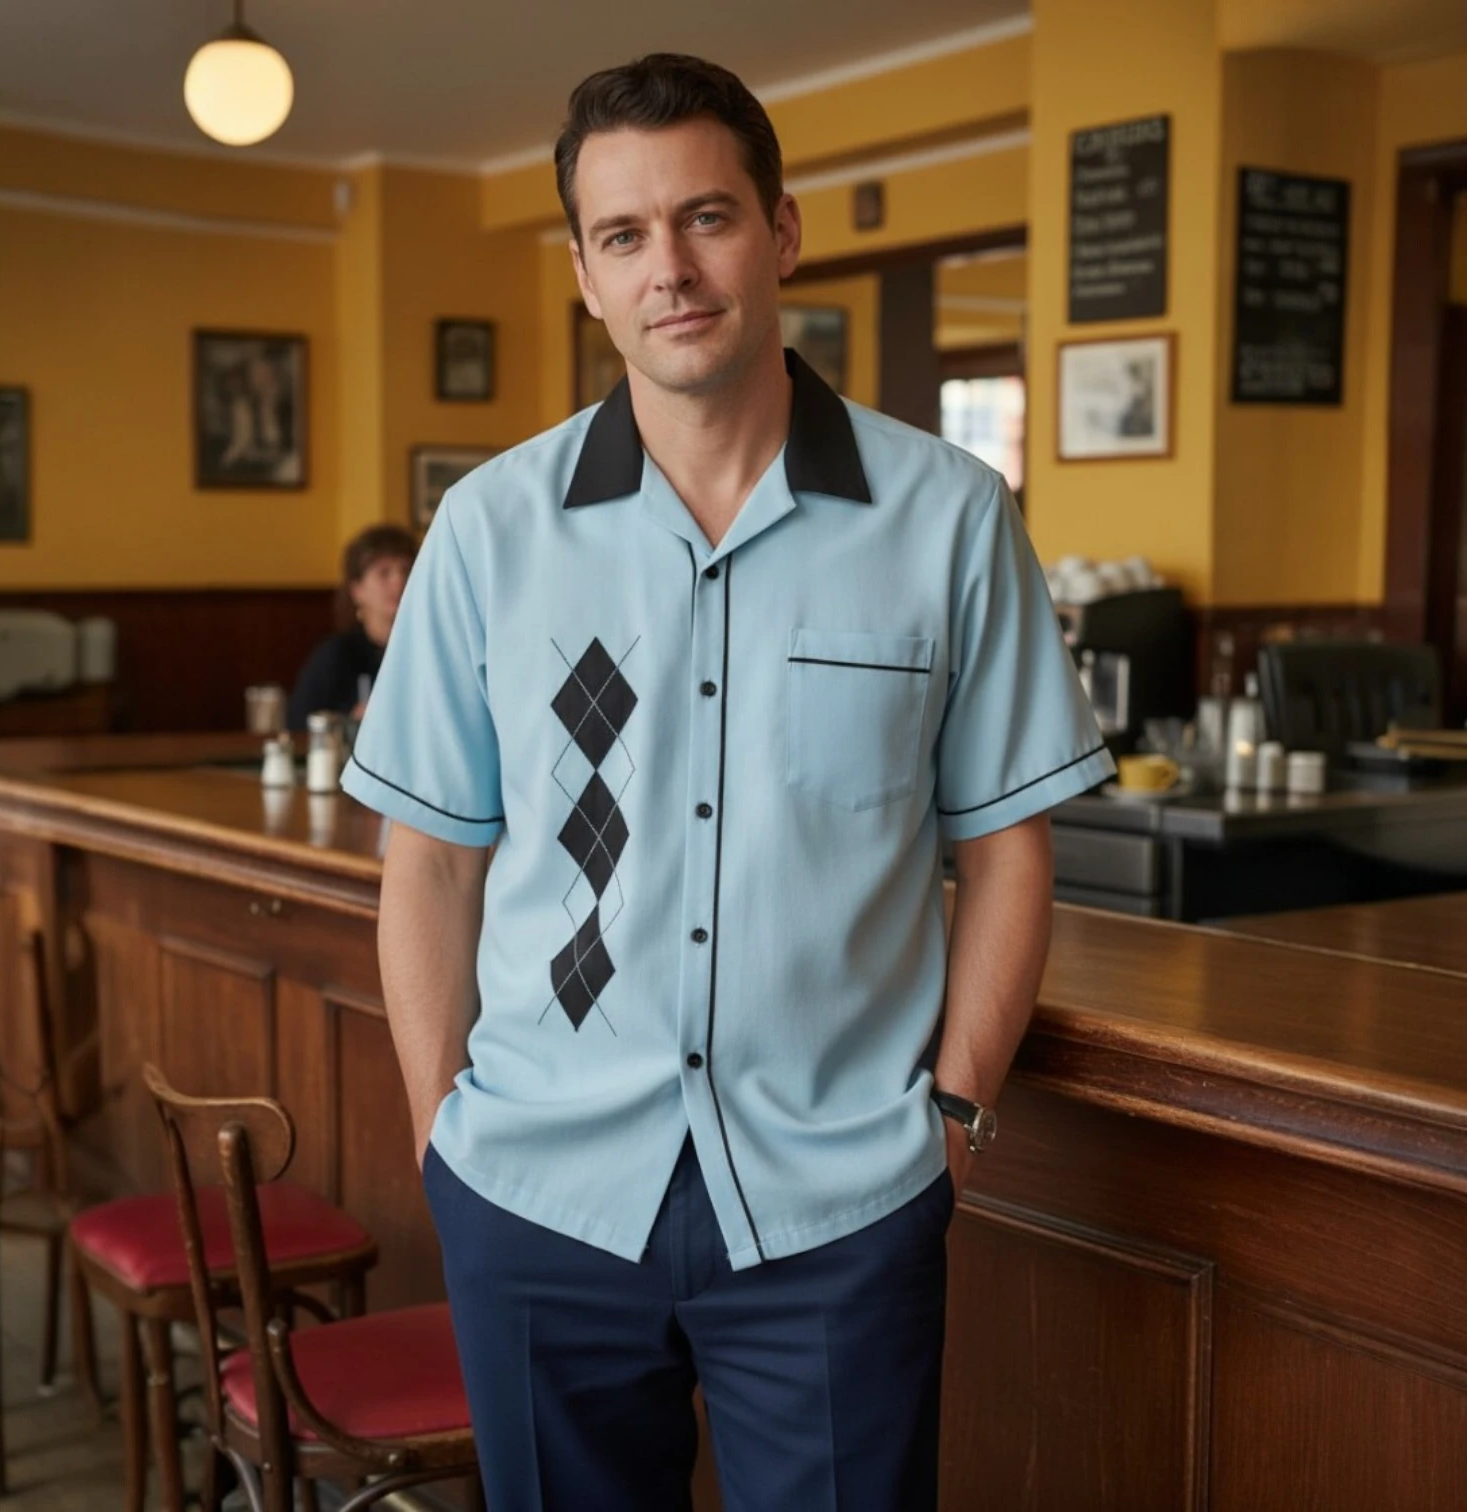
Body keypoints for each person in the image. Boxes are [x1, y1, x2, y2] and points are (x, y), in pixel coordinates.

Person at [342, 53, 1113, 1511]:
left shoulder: (947, 516)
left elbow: (1009, 849)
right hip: (538, 1197)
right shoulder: (490, 530)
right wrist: (446, 1138)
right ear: (582, 271)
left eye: (706, 217)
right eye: (625, 235)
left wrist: (951, 1122)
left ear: (782, 231)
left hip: (839, 1209)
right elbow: (430, 862)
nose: (671, 268)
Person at [287, 524, 415, 732]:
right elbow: (297, 725)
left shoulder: (427, 649)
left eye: (406, 570)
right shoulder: (336, 654)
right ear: (357, 590)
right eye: (384, 573)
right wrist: (348, 721)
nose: (399, 581)